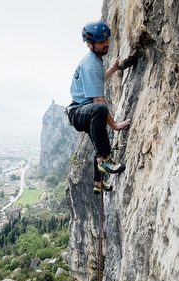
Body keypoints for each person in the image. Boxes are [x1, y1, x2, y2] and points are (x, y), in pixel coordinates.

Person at [66, 20, 131, 194]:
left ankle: (98, 184)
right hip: (79, 112)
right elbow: (98, 100)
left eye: (106, 40)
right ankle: (105, 161)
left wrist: (114, 68)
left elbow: (98, 81)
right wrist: (115, 125)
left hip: (82, 110)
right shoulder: (90, 65)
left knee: (99, 141)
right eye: (101, 42)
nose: (106, 44)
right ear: (89, 44)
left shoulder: (94, 60)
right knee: (101, 110)